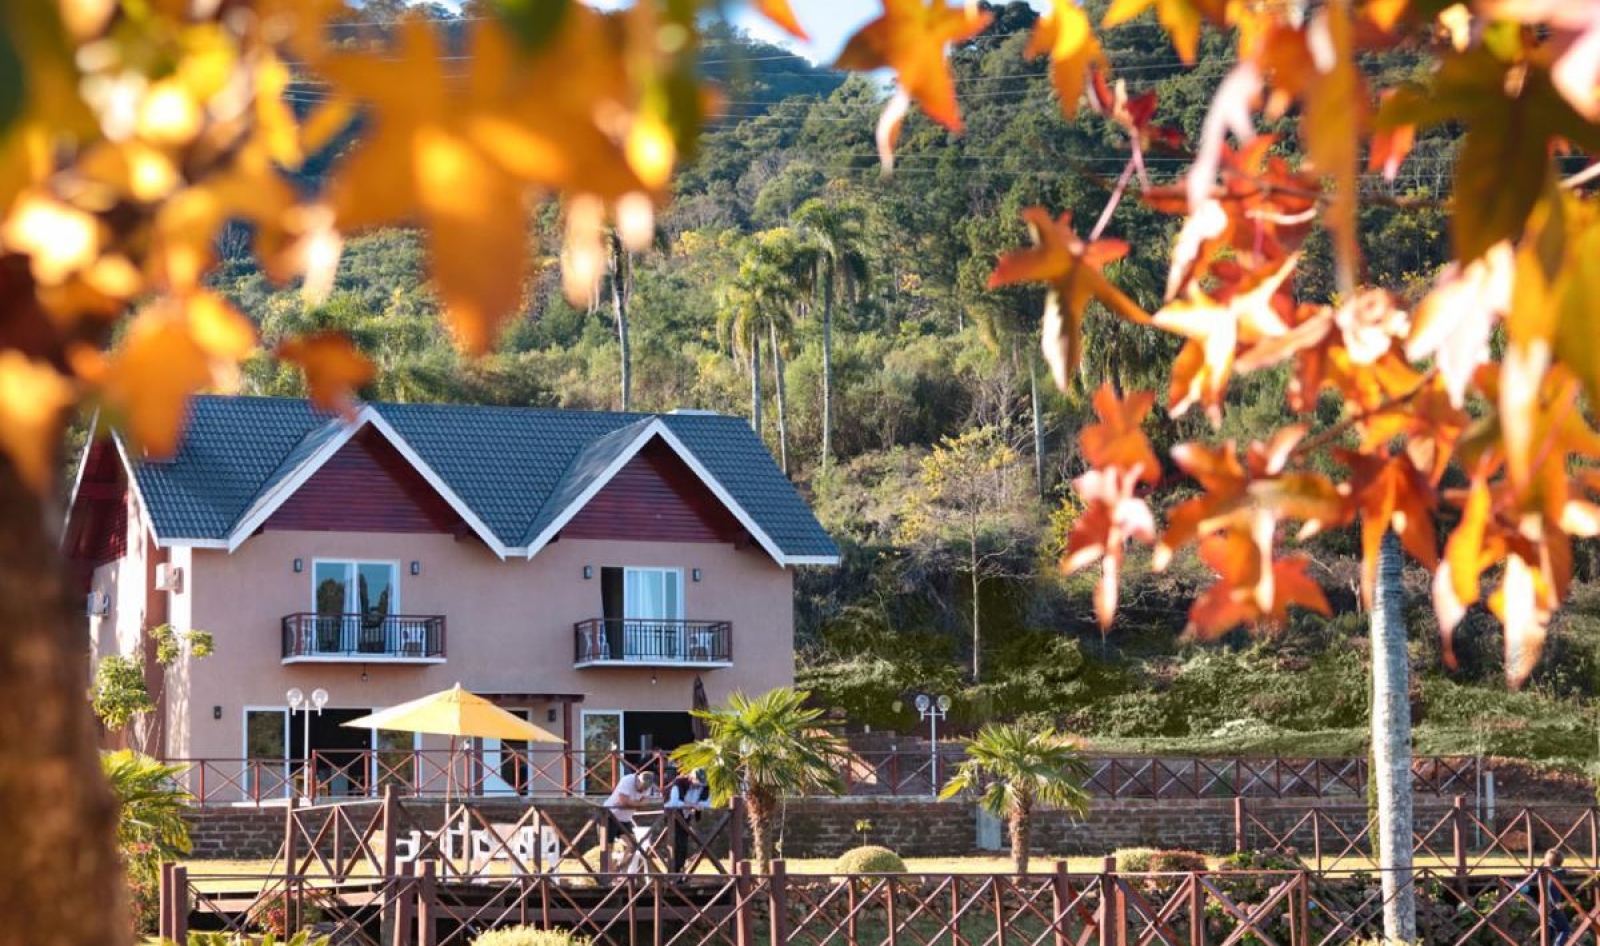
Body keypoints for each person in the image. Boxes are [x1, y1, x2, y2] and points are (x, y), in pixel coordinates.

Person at [602, 769, 660, 869]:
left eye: (645, 788)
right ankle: (610, 875)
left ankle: (618, 869)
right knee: (608, 847)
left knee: (632, 846)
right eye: (641, 787)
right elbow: (623, 800)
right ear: (637, 780)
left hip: (625, 819)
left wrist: (630, 803)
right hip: (610, 815)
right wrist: (636, 804)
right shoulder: (627, 781)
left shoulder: (647, 786)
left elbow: (644, 803)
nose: (643, 790)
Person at [664, 768, 712, 873]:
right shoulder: (679, 783)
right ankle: (672, 872)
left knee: (683, 845)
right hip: (672, 816)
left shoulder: (704, 787)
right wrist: (691, 805)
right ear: (691, 778)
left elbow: (707, 803)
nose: (699, 785)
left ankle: (680, 872)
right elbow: (674, 802)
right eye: (697, 782)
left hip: (686, 816)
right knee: (675, 844)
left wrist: (699, 805)